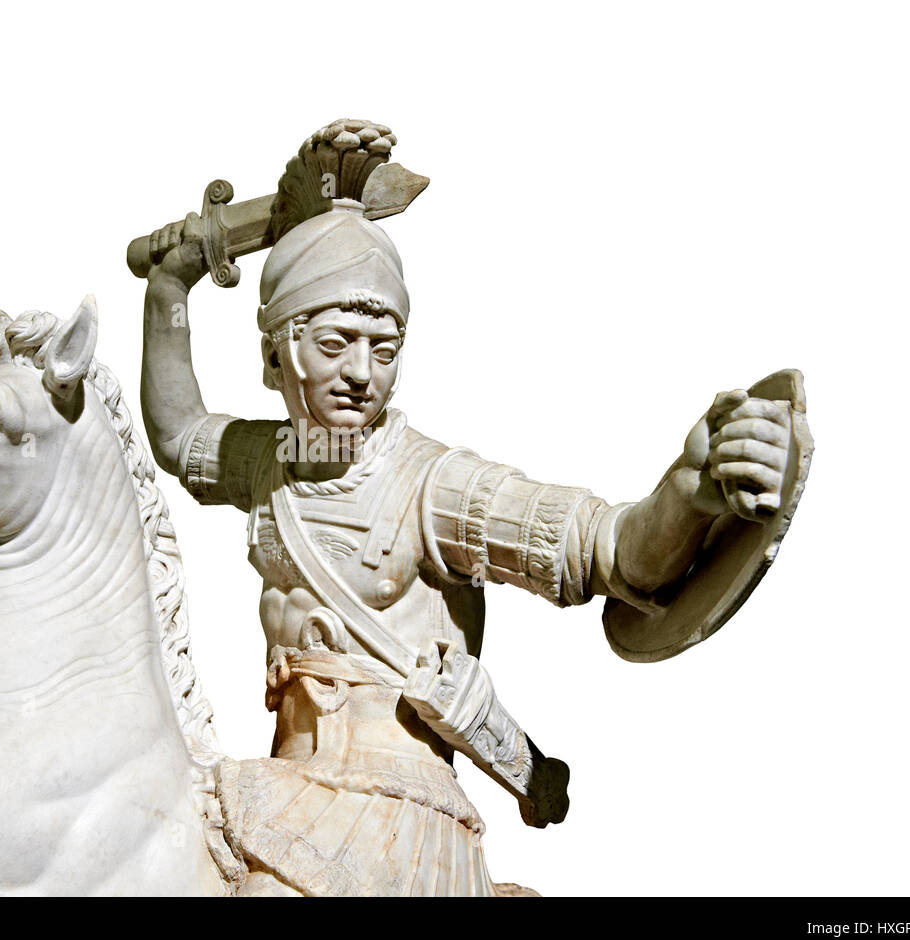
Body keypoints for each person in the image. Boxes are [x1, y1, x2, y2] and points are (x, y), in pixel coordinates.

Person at [139, 197, 793, 897]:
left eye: (383, 349)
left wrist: (689, 489)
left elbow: (611, 552)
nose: (363, 372)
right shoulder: (269, 460)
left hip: (400, 810)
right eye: (335, 344)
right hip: (282, 786)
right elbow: (180, 436)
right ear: (275, 356)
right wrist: (169, 289)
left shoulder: (436, 487)